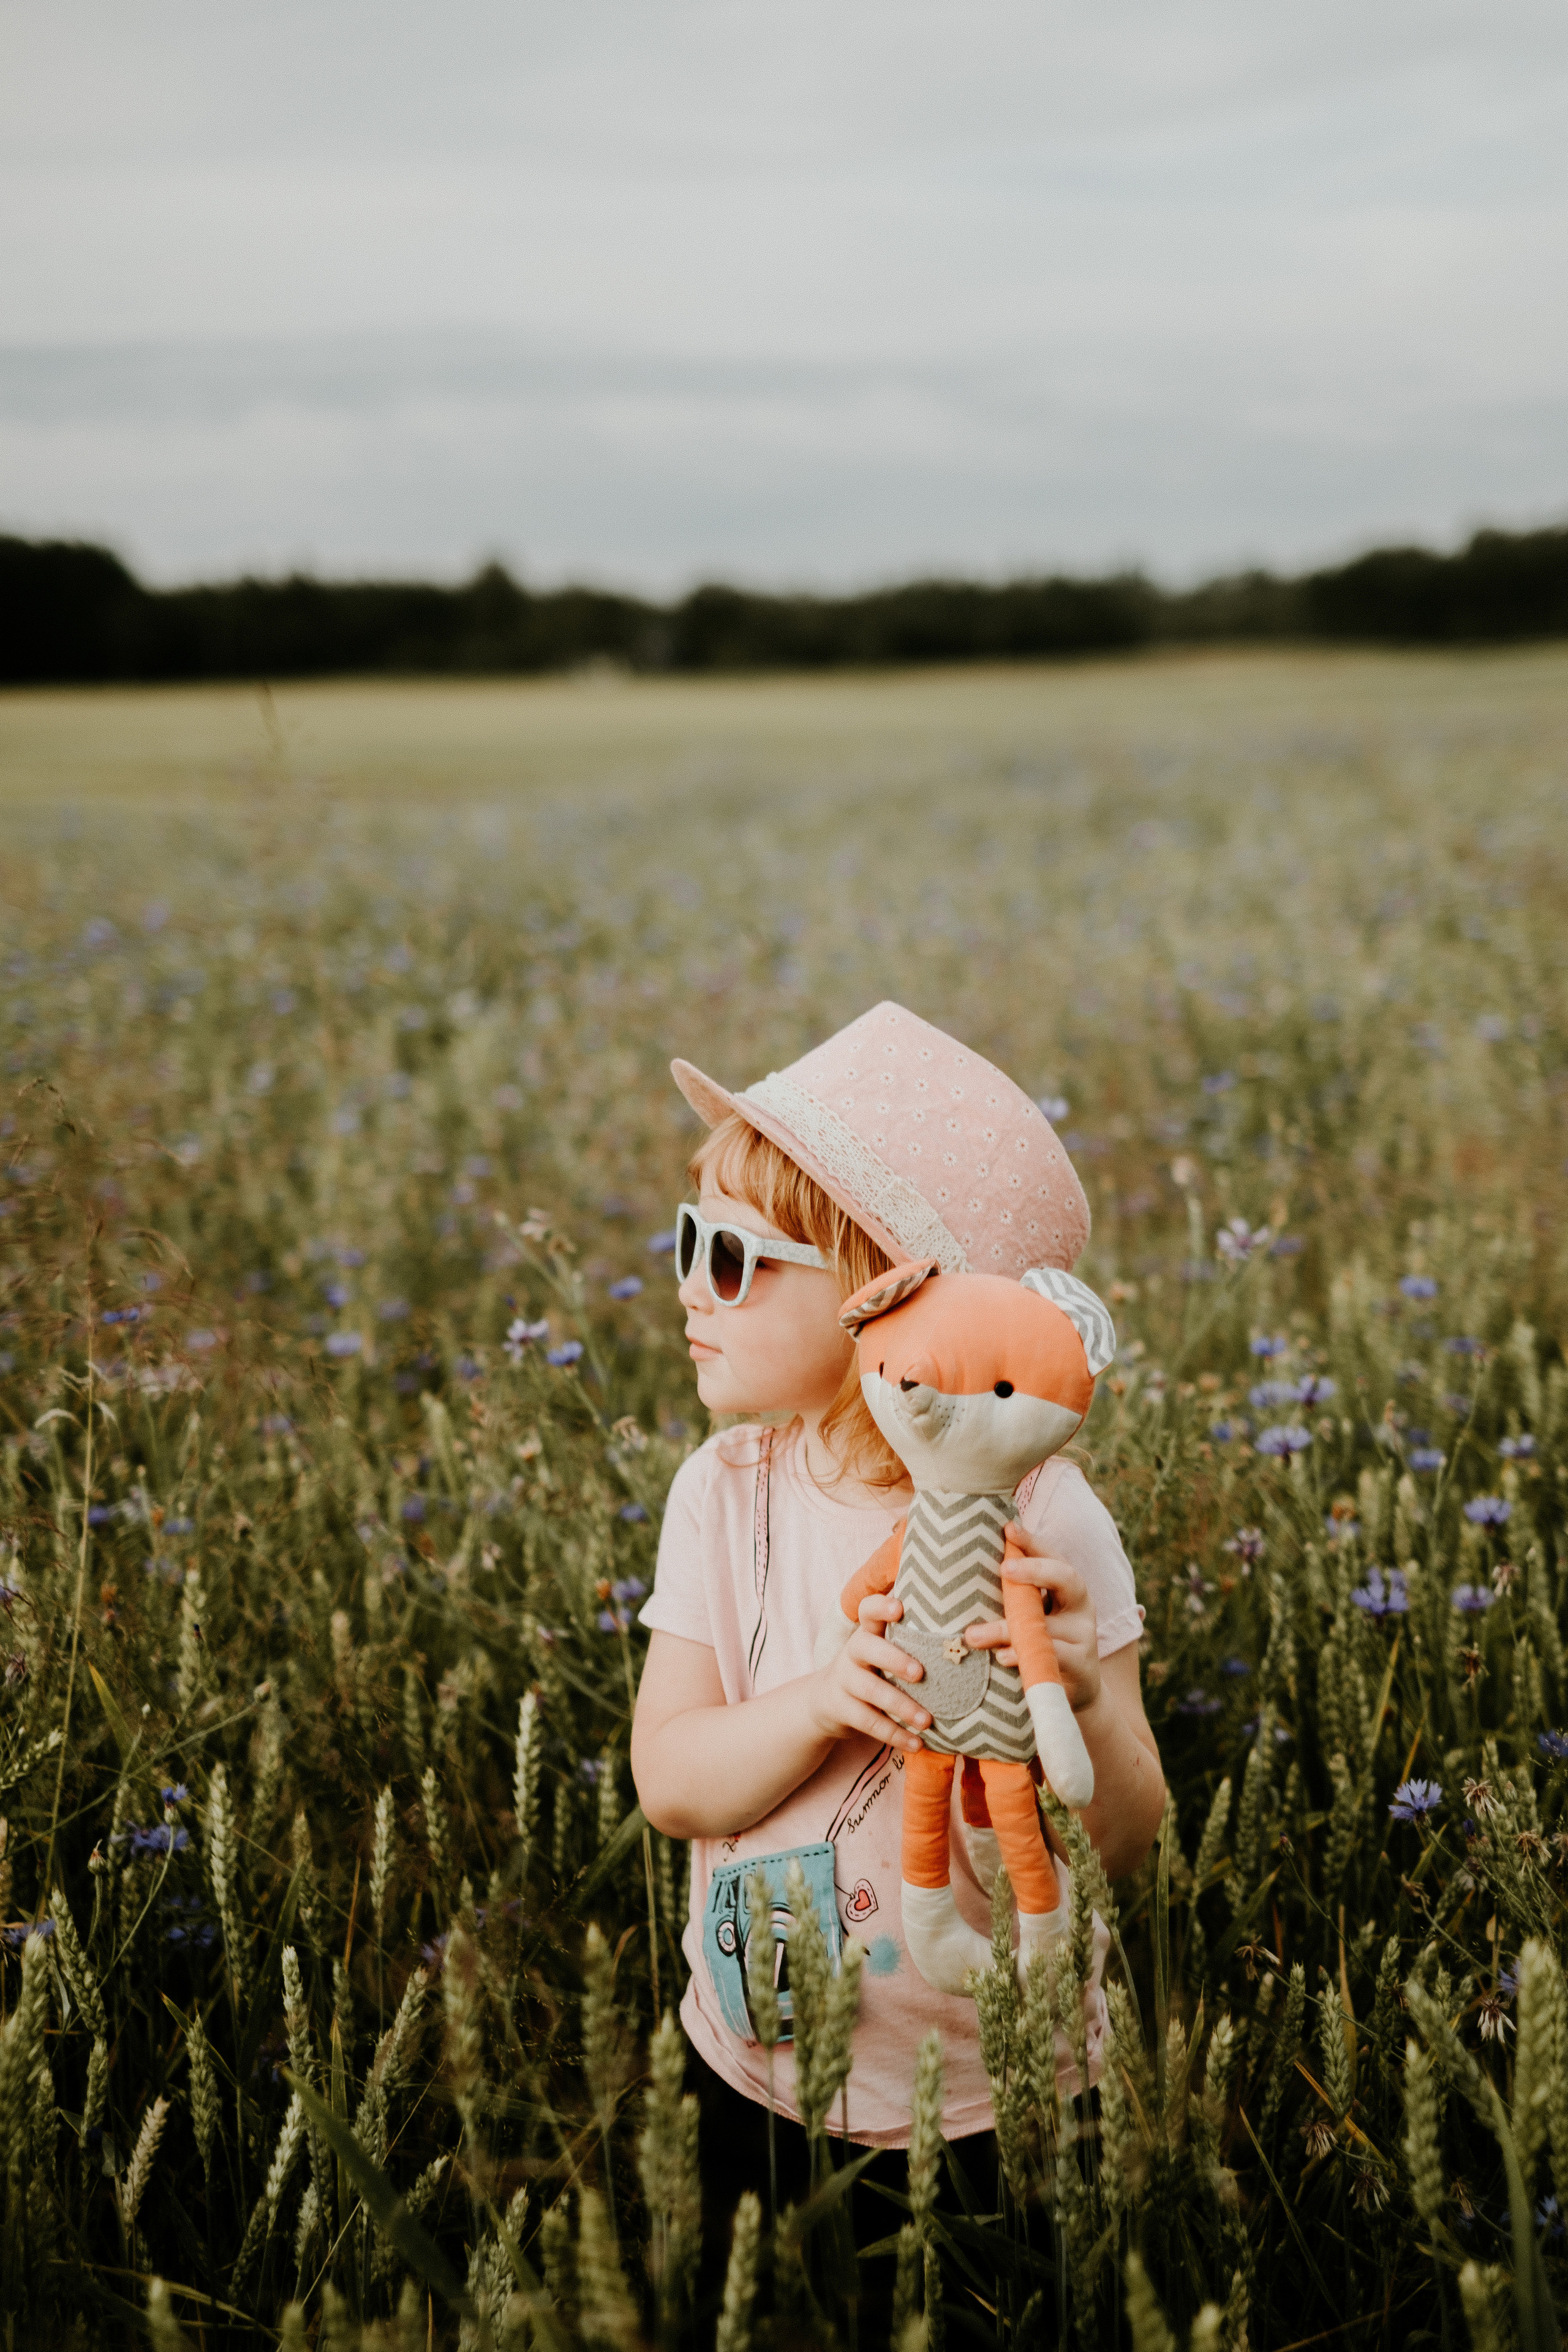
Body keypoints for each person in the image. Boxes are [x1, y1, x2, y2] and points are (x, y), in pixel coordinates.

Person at [629, 1001, 1165, 2241]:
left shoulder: (1048, 1518)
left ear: (885, 1296)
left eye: (733, 1258)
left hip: (1006, 2093)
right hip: (754, 2066)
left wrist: (1080, 1701)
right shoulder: (722, 1493)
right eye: (686, 1239)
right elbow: (671, 1780)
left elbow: (1128, 1837)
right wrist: (820, 1704)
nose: (688, 1288)